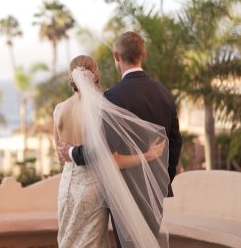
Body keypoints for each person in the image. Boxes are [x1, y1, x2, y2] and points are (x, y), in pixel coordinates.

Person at [55, 53, 171, 247]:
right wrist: (148, 155)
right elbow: (112, 158)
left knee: (68, 241)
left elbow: (60, 156)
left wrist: (71, 153)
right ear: (95, 73)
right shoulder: (102, 109)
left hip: (67, 186)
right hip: (93, 187)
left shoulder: (59, 109)